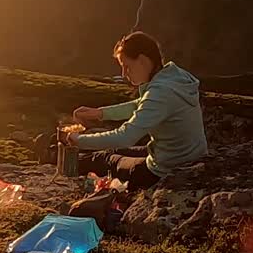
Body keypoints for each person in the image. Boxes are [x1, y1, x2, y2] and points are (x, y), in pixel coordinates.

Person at [63, 31, 207, 191]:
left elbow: (125, 136)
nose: (124, 74)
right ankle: (62, 158)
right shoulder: (174, 77)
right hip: (185, 156)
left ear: (143, 61)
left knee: (105, 158)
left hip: (164, 170)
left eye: (127, 66)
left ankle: (62, 164)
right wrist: (100, 113)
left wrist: (79, 140)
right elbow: (141, 104)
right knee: (114, 150)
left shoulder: (161, 91)